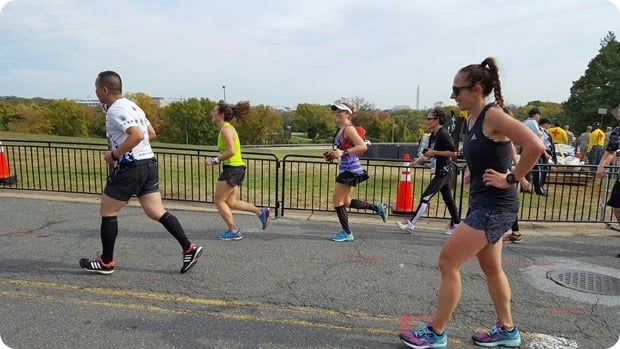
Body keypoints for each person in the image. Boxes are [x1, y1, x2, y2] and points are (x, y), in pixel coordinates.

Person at [399, 57, 544, 349]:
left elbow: (535, 145)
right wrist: (474, 174)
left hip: (494, 207)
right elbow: (495, 150)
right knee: (492, 268)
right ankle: (507, 330)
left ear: (476, 89)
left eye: (457, 89)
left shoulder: (493, 115)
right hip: (485, 203)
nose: (453, 96)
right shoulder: (472, 119)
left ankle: (436, 333)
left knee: (447, 261)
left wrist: (512, 178)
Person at [80, 71, 203, 275]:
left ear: (104, 89)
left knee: (108, 211)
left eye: (96, 90)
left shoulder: (115, 110)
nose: (95, 94)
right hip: (148, 163)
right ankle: (188, 248)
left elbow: (136, 135)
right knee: (156, 211)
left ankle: (106, 262)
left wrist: (115, 154)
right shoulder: (133, 106)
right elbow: (150, 133)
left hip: (132, 167)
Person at [204, 101, 271, 241]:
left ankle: (234, 230)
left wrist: (215, 160)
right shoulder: (225, 128)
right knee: (231, 202)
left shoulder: (226, 130)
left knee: (218, 200)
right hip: (234, 168)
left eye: (214, 111)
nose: (212, 113)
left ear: (221, 115)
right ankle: (261, 212)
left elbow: (231, 151)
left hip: (233, 169)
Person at [326, 102, 387, 242]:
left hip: (350, 169)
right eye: (336, 110)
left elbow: (362, 146)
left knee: (337, 200)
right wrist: (333, 154)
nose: (337, 112)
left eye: (340, 110)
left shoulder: (348, 129)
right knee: (346, 201)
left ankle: (347, 233)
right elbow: (342, 150)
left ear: (348, 114)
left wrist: (343, 152)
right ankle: (377, 208)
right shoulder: (341, 129)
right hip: (348, 168)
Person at [396, 108, 461, 235]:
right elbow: (428, 154)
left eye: (429, 119)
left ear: (437, 120)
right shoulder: (433, 136)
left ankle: (411, 224)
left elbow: (453, 152)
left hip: (444, 171)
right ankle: (457, 224)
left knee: (425, 197)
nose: (427, 121)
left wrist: (434, 152)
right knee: (448, 199)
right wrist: (416, 162)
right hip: (439, 171)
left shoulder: (443, 134)